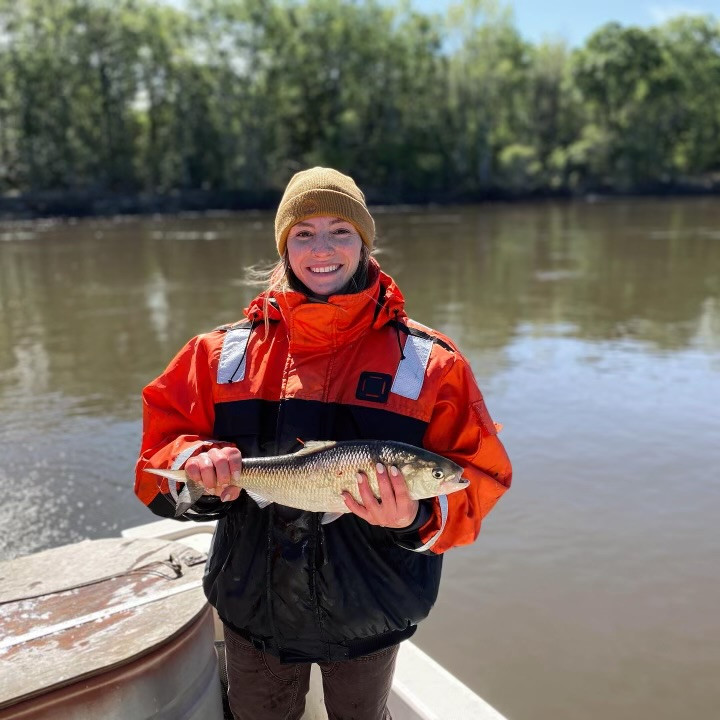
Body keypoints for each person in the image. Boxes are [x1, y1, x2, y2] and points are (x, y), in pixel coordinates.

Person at [134, 167, 512, 720]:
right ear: (285, 245)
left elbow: (478, 480)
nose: (323, 249)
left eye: (341, 230)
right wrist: (197, 467)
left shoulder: (430, 363)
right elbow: (156, 459)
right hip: (252, 609)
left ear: (364, 241)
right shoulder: (219, 353)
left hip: (371, 613)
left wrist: (415, 517)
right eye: (304, 233)